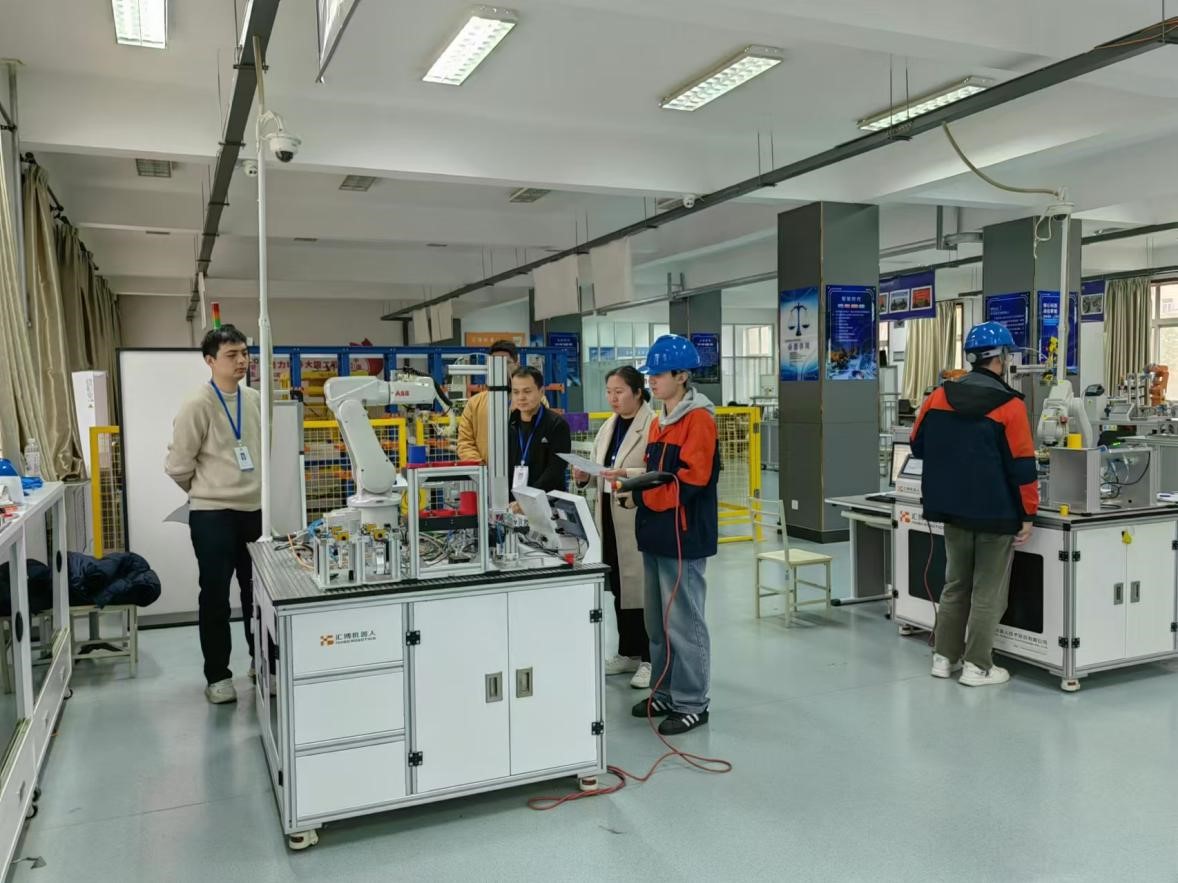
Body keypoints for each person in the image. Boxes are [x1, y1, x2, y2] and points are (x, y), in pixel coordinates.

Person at [911, 321, 1038, 688]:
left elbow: (918, 445)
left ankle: (944, 657)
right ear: (1000, 358)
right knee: (987, 592)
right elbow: (1023, 465)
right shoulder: (1010, 405)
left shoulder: (937, 397)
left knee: (955, 585)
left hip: (950, 508)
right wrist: (1028, 513)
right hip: (995, 512)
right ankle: (977, 666)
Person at [624, 335, 719, 735]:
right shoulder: (660, 421)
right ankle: (664, 691)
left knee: (683, 622)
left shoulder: (699, 420)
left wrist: (641, 496)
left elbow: (690, 481)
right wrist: (632, 484)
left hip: (683, 536)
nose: (652, 381)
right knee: (658, 624)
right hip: (656, 533)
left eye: (659, 374)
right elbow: (656, 474)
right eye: (651, 375)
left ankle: (693, 702)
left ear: (682, 376)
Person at [165, 325, 263, 705]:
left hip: (254, 510)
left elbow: (263, 449)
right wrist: (206, 490)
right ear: (210, 361)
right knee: (216, 596)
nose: (241, 361)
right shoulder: (198, 404)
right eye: (231, 355)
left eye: (244, 353)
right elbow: (178, 465)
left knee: (258, 594)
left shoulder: (254, 400)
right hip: (212, 515)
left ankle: (261, 663)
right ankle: (218, 676)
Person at [573, 366, 654, 689]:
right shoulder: (609, 426)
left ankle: (650, 658)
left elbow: (655, 470)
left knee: (642, 590)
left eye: (619, 391)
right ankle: (628, 652)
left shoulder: (652, 425)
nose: (613, 398)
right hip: (609, 516)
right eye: (609, 392)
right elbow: (601, 469)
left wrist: (624, 473)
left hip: (637, 518)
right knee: (620, 587)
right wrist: (585, 477)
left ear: (638, 392)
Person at [507, 366, 571, 495]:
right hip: (512, 501)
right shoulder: (509, 424)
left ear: (541, 392)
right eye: (516, 392)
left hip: (547, 500)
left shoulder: (557, 425)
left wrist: (529, 498)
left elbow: (555, 470)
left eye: (527, 391)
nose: (521, 397)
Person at [457, 340, 519, 462]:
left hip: (523, 471)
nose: (500, 368)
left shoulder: (533, 400)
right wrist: (481, 467)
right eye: (495, 363)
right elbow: (465, 443)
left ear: (517, 365)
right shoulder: (474, 403)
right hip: (486, 470)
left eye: (506, 363)